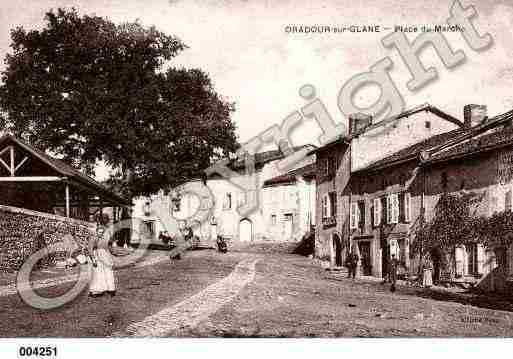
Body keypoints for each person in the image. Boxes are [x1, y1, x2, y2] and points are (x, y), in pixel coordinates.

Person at [88, 225, 116, 297]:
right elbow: (90, 249)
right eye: (99, 232)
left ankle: (109, 289)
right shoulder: (93, 239)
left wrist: (110, 259)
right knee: (97, 274)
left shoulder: (103, 240)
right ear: (96, 232)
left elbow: (107, 249)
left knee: (106, 272)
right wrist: (93, 259)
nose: (101, 233)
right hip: (97, 257)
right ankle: (95, 291)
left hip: (104, 257)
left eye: (102, 232)